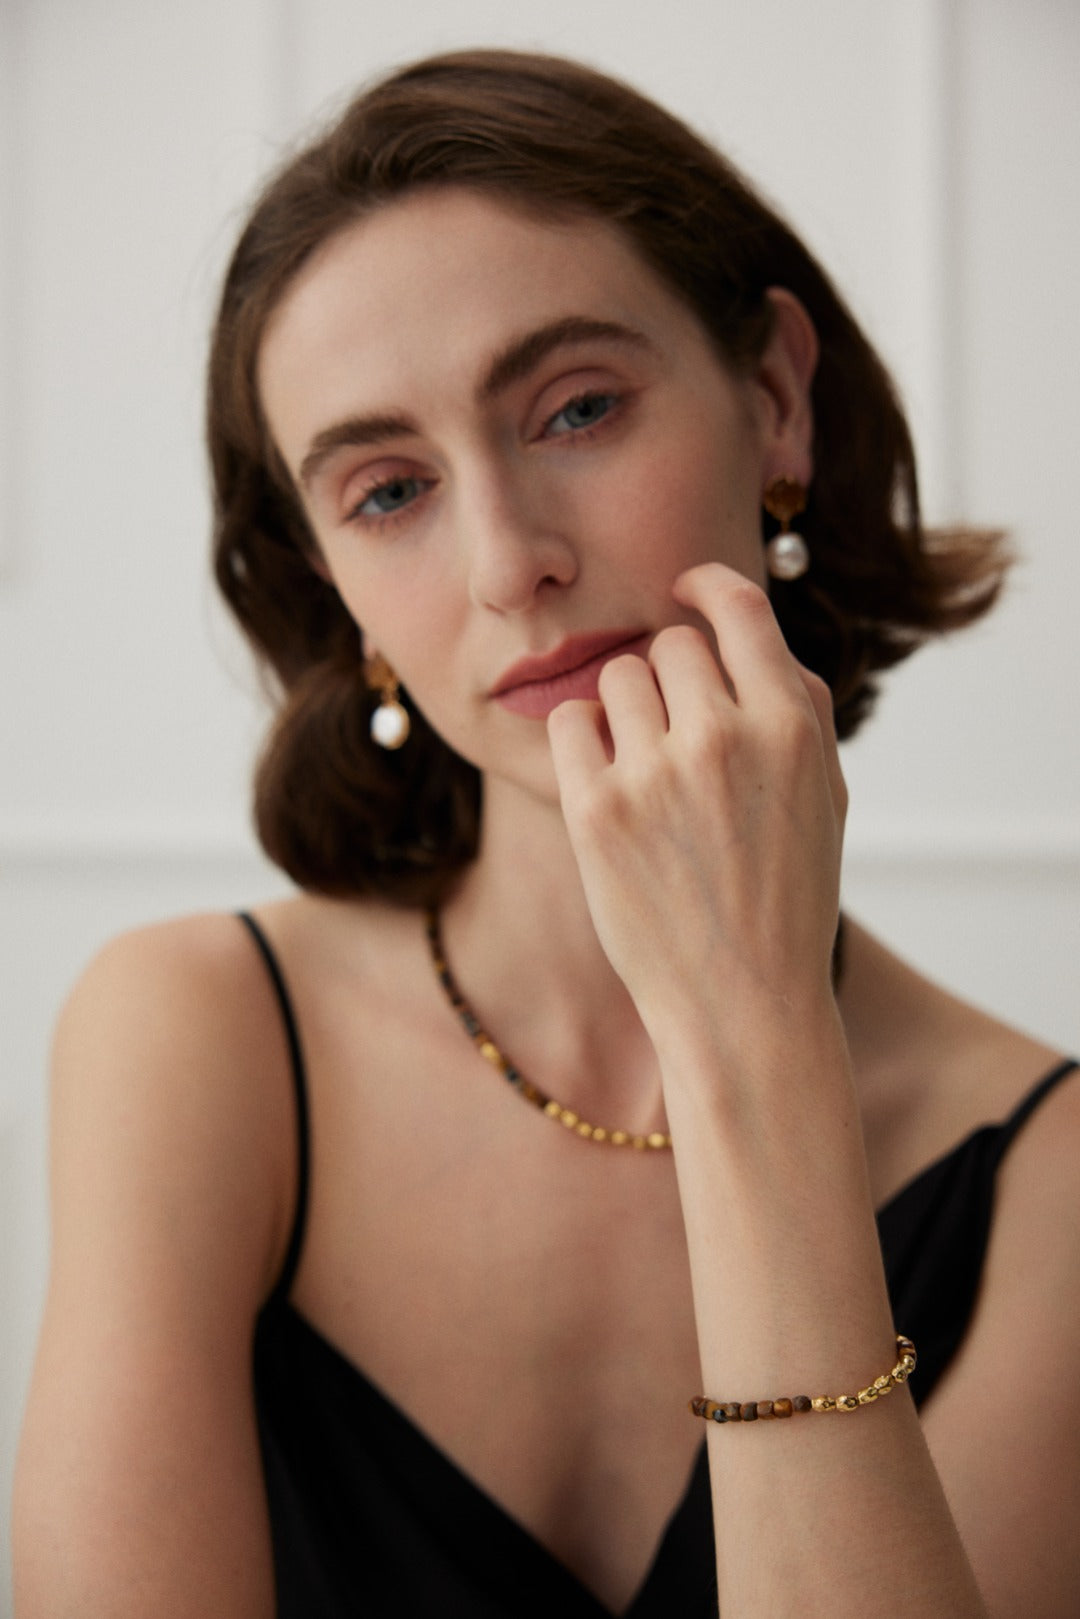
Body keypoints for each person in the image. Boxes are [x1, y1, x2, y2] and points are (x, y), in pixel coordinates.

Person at [12, 48, 1080, 1618]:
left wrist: (749, 1028)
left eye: (576, 407)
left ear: (775, 402)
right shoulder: (190, 1038)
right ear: (331, 585)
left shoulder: (1046, 1172)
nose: (509, 563)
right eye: (387, 492)